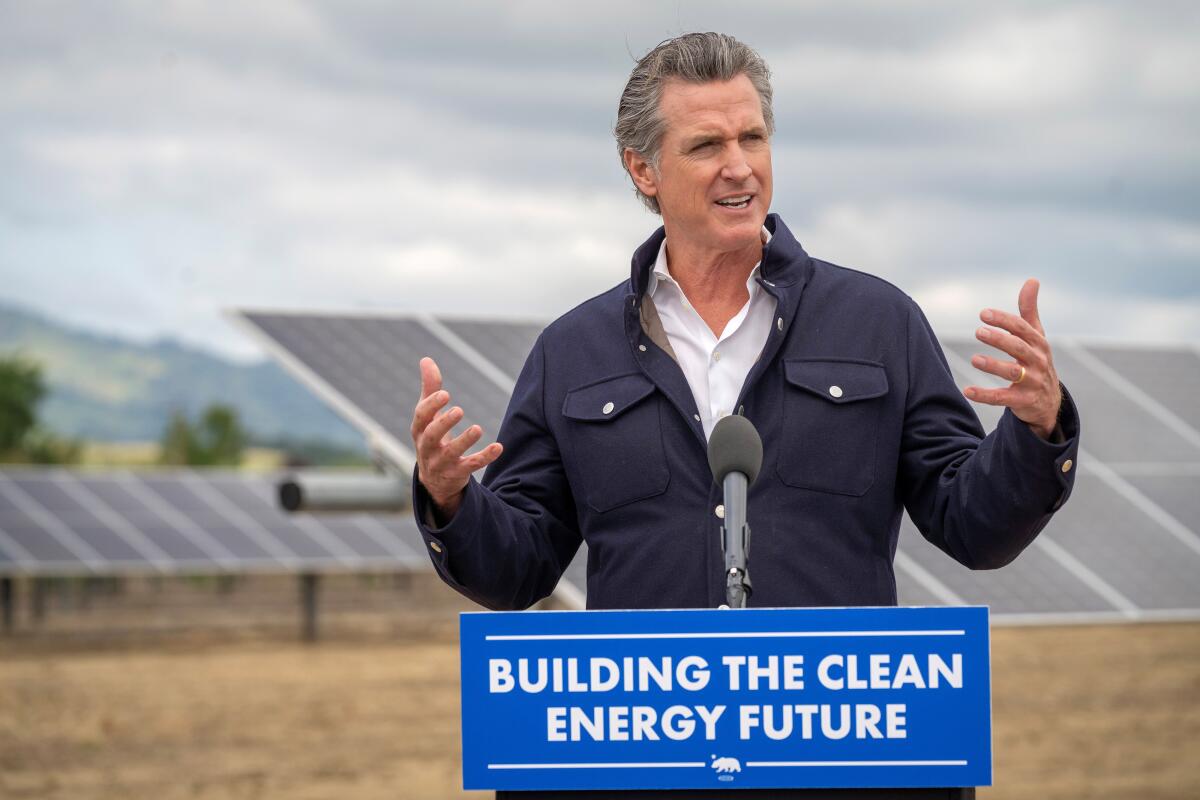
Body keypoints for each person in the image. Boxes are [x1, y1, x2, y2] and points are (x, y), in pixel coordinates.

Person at [409, 33, 1079, 611]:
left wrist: (1036, 431)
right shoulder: (573, 353)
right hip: (655, 740)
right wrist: (451, 500)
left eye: (752, 138)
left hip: (833, 736)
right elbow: (517, 567)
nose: (740, 166)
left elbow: (973, 527)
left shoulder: (880, 326)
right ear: (643, 169)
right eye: (706, 145)